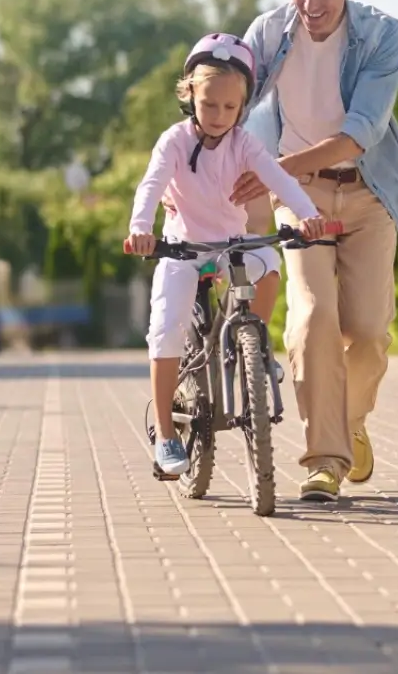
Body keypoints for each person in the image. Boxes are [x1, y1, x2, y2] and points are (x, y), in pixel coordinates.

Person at [232, 0, 398, 502]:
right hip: (299, 197)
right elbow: (229, 103)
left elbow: (363, 131)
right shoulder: (268, 32)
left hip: (367, 192)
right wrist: (191, 162)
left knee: (366, 331)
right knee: (311, 318)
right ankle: (325, 459)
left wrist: (278, 166)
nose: (310, 6)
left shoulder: (383, 36)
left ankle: (351, 421)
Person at [126, 33, 327, 477]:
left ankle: (251, 351)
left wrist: (309, 215)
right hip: (183, 248)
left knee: (271, 266)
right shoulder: (174, 142)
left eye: (230, 108)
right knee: (166, 327)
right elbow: (152, 186)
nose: (219, 116)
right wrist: (141, 228)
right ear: (190, 95)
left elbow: (280, 179)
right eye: (208, 104)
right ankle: (166, 431)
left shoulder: (244, 144)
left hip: (232, 247)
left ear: (242, 106)